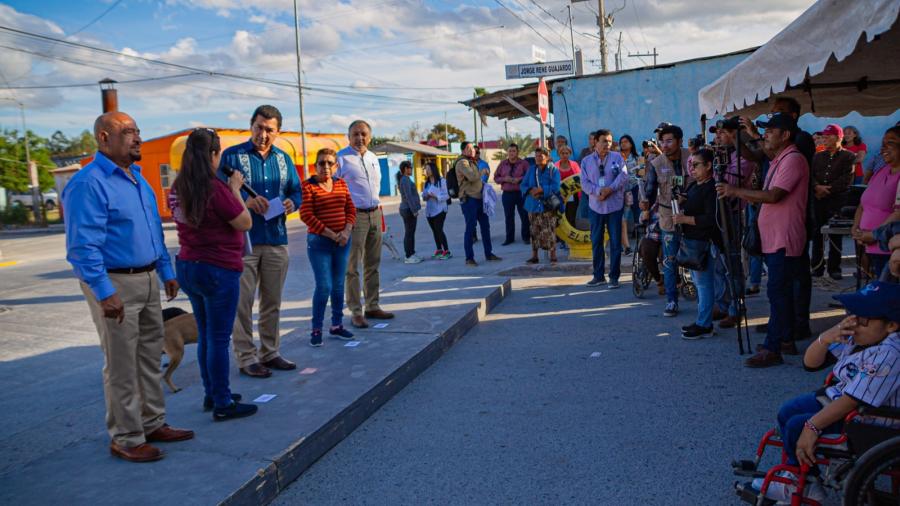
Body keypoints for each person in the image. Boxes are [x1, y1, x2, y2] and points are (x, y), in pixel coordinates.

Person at [63, 111, 193, 462]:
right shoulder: (89, 184)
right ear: (103, 138)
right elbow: (82, 247)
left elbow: (153, 230)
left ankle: (152, 423)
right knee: (122, 364)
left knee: (150, 356)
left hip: (148, 278)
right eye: (127, 132)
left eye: (138, 131)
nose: (137, 138)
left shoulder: (138, 178)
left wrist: (165, 270)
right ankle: (126, 437)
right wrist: (105, 292)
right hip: (116, 282)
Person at [749, 281, 900, 503]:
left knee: (797, 425)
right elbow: (810, 363)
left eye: (863, 319)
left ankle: (805, 483)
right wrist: (826, 337)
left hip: (868, 420)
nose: (854, 323)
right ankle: (798, 472)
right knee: (787, 411)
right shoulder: (861, 336)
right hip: (844, 402)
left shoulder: (889, 355)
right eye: (852, 314)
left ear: (892, 325)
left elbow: (852, 401)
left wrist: (812, 426)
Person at [169, 128, 257, 421]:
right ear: (214, 155)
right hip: (218, 268)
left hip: (189, 265)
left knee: (206, 334)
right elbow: (244, 222)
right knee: (219, 338)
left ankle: (213, 392)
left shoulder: (178, 187)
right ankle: (222, 402)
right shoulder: (215, 188)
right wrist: (234, 189)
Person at [717, 113, 810, 368]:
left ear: (785, 135)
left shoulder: (793, 159)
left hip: (784, 236)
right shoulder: (781, 157)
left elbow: (773, 195)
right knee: (780, 292)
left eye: (770, 130)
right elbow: (757, 154)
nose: (766, 134)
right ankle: (785, 339)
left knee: (778, 293)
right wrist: (744, 136)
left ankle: (772, 348)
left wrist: (735, 190)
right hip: (774, 236)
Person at [220, 105, 302, 377]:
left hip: (277, 239)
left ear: (278, 132)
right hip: (243, 243)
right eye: (259, 127)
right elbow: (218, 195)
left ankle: (270, 352)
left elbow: (296, 191)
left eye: (270, 129)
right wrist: (245, 201)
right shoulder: (232, 157)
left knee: (272, 301)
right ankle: (246, 357)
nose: (263, 134)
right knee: (242, 303)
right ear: (251, 125)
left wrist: (293, 202)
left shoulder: (284, 159)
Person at [336, 119, 395, 328]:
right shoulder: (341, 159)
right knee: (352, 267)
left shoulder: (372, 157)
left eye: (363, 134)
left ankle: (372, 306)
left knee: (373, 264)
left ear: (369, 137)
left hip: (374, 214)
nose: (360, 138)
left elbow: (376, 188)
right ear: (348, 137)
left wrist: (380, 215)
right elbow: (334, 189)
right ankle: (355, 311)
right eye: (355, 134)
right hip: (354, 217)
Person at [300, 148, 357, 347]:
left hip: (343, 241)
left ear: (335, 166)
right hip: (320, 244)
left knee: (339, 285)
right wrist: (333, 235)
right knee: (324, 286)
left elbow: (350, 209)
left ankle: (337, 325)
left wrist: (347, 232)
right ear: (315, 166)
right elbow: (306, 215)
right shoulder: (308, 186)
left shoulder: (341, 184)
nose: (325, 167)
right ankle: (316, 328)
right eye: (321, 163)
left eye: (329, 163)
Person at [642, 124, 693, 316]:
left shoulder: (692, 157)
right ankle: (671, 300)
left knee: (697, 258)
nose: (665, 145)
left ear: (679, 141)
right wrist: (646, 203)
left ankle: (706, 300)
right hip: (667, 217)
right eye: (662, 141)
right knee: (670, 260)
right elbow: (650, 190)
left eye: (669, 141)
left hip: (692, 216)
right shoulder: (656, 164)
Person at [672, 148, 720, 339]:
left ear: (709, 166)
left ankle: (704, 324)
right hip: (691, 241)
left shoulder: (711, 188)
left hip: (703, 242)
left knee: (704, 285)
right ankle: (702, 320)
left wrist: (685, 219)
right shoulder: (694, 185)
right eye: (690, 164)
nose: (691, 168)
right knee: (699, 283)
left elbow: (710, 219)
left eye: (696, 164)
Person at [582, 129, 628, 289]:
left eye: (609, 141)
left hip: (614, 205)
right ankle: (598, 276)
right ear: (595, 141)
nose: (607, 144)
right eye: (604, 141)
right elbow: (584, 182)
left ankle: (614, 277)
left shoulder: (617, 158)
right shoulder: (586, 161)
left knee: (615, 243)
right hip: (596, 206)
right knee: (596, 242)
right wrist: (597, 191)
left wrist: (610, 189)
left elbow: (623, 176)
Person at [852, 126, 900, 278]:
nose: (884, 147)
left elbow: (898, 213)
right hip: (870, 247)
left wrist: (874, 234)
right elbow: (863, 203)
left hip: (889, 249)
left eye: (890, 143)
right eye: (883, 143)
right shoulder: (881, 170)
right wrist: (855, 228)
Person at [810, 124, 855, 279]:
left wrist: (827, 189)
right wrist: (817, 187)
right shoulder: (817, 156)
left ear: (838, 138)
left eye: (828, 136)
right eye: (824, 136)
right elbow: (810, 175)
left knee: (836, 234)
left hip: (837, 200)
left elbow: (846, 179)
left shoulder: (848, 156)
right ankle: (816, 267)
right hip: (818, 200)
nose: (825, 139)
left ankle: (834, 268)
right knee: (817, 234)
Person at [456, 141, 502, 266]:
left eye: (473, 149)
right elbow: (472, 177)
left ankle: (489, 253)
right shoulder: (462, 163)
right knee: (470, 229)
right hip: (469, 199)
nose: (473, 151)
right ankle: (469, 258)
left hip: (479, 198)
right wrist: (482, 172)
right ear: (464, 150)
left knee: (485, 227)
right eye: (469, 148)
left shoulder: (472, 162)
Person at [521, 147, 561, 264]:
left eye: (541, 156)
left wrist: (541, 190)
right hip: (533, 205)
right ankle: (534, 256)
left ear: (547, 157)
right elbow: (523, 184)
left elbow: (556, 187)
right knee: (534, 231)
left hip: (547, 205)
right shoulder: (531, 169)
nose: (538, 158)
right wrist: (530, 190)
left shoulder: (553, 170)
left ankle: (553, 255)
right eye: (536, 156)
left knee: (550, 230)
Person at [493, 143, 530, 245]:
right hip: (507, 194)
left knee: (524, 215)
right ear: (507, 152)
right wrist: (504, 179)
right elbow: (496, 178)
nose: (512, 153)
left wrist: (519, 179)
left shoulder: (524, 163)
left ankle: (526, 237)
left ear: (517, 152)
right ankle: (509, 238)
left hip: (521, 193)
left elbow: (529, 176)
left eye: (514, 151)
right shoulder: (502, 164)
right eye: (510, 151)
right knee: (509, 216)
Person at [421, 162, 450, 259]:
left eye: (428, 169)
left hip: (440, 209)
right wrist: (426, 196)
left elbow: (447, 195)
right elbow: (424, 197)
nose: (427, 171)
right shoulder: (426, 183)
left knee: (439, 229)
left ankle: (447, 251)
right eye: (426, 169)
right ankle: (439, 249)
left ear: (433, 170)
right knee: (434, 231)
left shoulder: (442, 181)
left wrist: (436, 196)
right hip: (430, 210)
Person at [619, 134, 641, 256]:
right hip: (621, 190)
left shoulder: (638, 157)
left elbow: (642, 174)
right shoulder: (617, 157)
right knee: (623, 219)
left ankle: (641, 246)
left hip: (635, 189)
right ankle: (627, 247)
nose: (623, 143)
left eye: (626, 141)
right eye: (622, 142)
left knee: (639, 218)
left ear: (631, 144)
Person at [397, 160, 422, 264]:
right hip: (408, 209)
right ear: (405, 169)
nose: (411, 169)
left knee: (411, 233)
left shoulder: (405, 179)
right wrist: (414, 210)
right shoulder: (405, 180)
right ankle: (408, 256)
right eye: (410, 168)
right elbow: (408, 197)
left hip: (408, 209)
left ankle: (412, 253)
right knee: (409, 233)